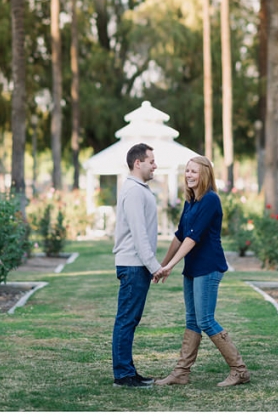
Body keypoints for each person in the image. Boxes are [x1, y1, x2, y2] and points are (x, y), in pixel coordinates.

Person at [153, 156, 250, 388]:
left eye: (194, 171)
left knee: (205, 320)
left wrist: (171, 266)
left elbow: (192, 239)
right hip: (193, 269)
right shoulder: (191, 201)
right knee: (192, 320)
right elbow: (179, 235)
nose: (189, 175)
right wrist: (162, 265)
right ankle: (181, 373)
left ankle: (240, 370)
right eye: (187, 171)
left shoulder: (210, 200)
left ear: (204, 173)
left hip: (209, 267)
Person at [112, 143, 161, 388]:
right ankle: (122, 375)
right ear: (137, 163)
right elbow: (139, 234)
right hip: (133, 265)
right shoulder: (133, 191)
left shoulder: (138, 189)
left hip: (136, 265)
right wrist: (154, 266)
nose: (155, 165)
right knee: (127, 319)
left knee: (130, 319)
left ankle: (127, 371)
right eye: (151, 160)